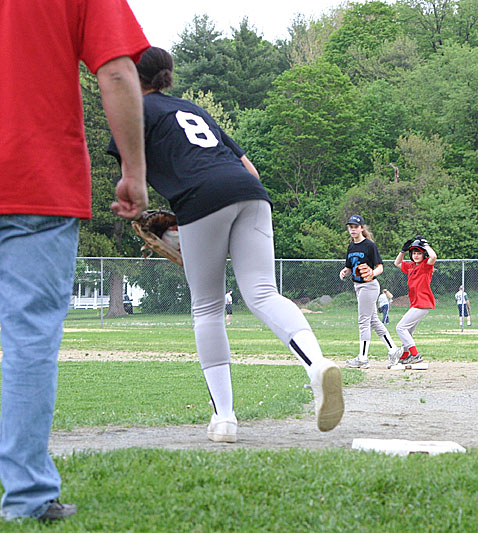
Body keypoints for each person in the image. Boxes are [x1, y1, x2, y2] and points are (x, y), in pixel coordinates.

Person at [108, 47, 343, 444]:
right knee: (264, 293)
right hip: (251, 192)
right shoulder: (194, 110)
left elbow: (133, 177)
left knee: (208, 308)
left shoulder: (133, 111)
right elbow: (248, 167)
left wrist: (146, 213)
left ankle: (225, 418)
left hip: (201, 200)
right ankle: (316, 364)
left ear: (134, 77)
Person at [0, 0, 149, 522]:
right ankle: (26, 497)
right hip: (32, 178)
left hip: (34, 183)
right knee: (28, 339)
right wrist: (133, 169)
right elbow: (115, 68)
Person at [338, 215, 403, 369]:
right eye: (350, 227)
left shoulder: (369, 246)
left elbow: (380, 267)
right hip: (358, 286)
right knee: (373, 321)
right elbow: (349, 266)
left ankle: (363, 358)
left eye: (356, 226)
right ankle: (393, 350)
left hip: (369, 286)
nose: (353, 229)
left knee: (363, 321)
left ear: (362, 228)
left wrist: (372, 273)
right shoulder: (351, 247)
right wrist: (345, 271)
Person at [392, 237, 438, 366]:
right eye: (413, 253)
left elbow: (433, 257)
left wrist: (426, 245)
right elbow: (397, 263)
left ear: (424, 254)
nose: (416, 255)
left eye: (419, 253)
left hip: (423, 303)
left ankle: (415, 355)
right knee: (408, 331)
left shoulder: (426, 266)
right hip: (416, 304)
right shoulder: (411, 266)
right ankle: (405, 356)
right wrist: (402, 251)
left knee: (400, 327)